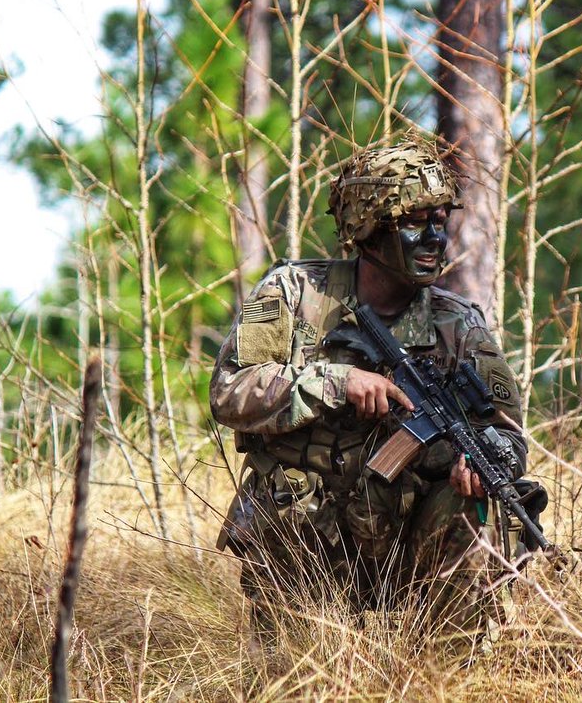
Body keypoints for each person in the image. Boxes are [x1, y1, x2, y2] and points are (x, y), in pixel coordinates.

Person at [210, 138, 529, 655]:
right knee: (290, 681)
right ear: (369, 227)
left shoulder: (458, 323)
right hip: (306, 535)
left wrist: (488, 456)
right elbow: (229, 392)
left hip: (411, 540)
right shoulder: (294, 294)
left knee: (481, 502)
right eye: (414, 220)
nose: (433, 237)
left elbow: (509, 434)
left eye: (439, 219)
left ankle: (446, 672)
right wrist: (335, 382)